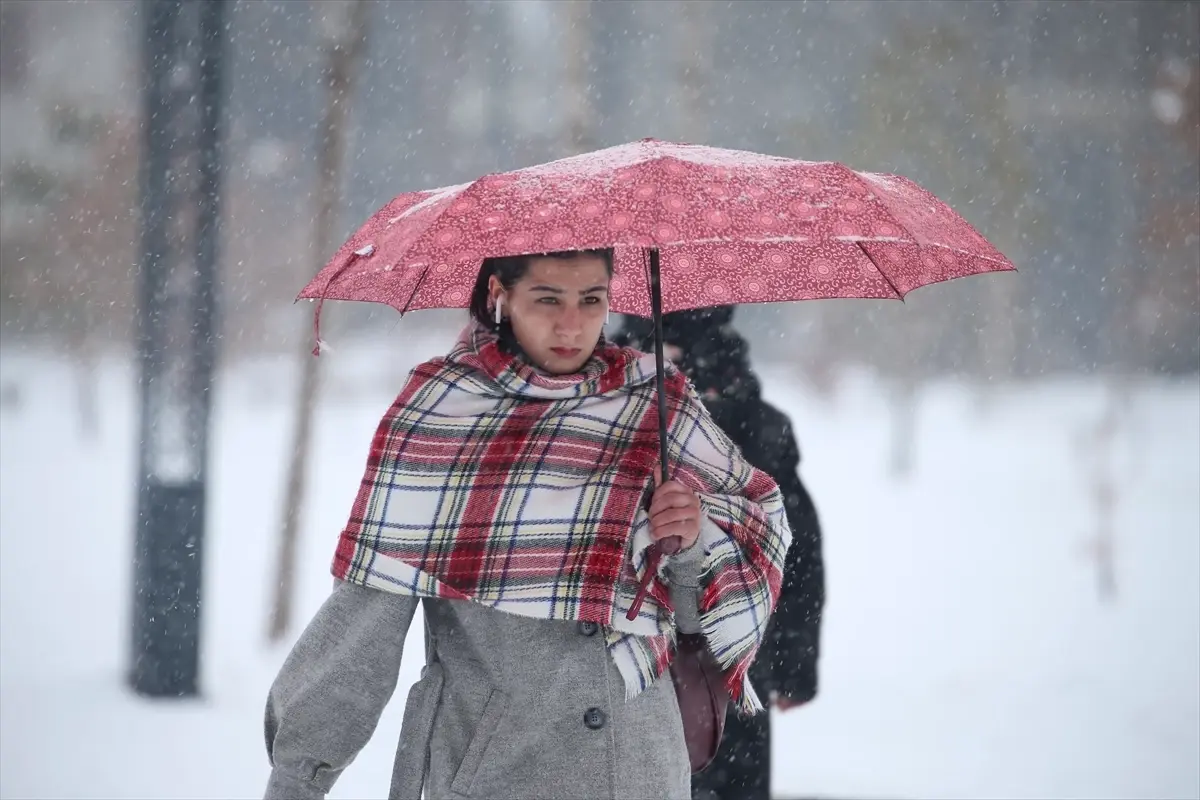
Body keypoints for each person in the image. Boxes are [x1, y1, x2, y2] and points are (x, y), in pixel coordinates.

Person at [262, 249, 794, 800]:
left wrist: (688, 542)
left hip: (640, 772)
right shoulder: (440, 414)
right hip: (495, 775)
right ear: (500, 293)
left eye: (591, 299)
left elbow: (694, 622)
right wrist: (299, 778)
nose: (572, 323)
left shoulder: (656, 406)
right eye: (548, 299)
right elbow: (359, 636)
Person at [614, 308, 825, 800]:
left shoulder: (753, 422)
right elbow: (802, 549)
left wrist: (795, 665)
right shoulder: (611, 401)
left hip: (732, 647)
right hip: (651, 647)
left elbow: (795, 546)